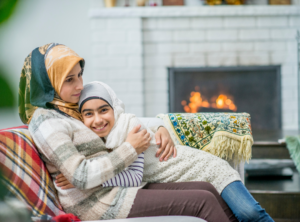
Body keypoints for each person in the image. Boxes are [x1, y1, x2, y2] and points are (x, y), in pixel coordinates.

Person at [19, 43, 238, 222]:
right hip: (96, 203)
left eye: (79, 75)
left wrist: (158, 126)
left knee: (207, 188)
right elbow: (82, 177)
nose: (79, 86)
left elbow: (114, 124)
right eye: (69, 79)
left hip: (114, 188)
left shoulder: (67, 108)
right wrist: (130, 148)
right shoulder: (47, 121)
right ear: (48, 81)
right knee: (203, 200)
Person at [58, 81, 274, 222]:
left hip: (209, 168)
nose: (98, 119)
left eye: (104, 110)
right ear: (81, 117)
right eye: (89, 114)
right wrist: (160, 126)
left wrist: (86, 179)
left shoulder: (129, 128)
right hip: (191, 178)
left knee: (251, 213)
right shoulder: (98, 138)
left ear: (115, 108)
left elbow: (133, 177)